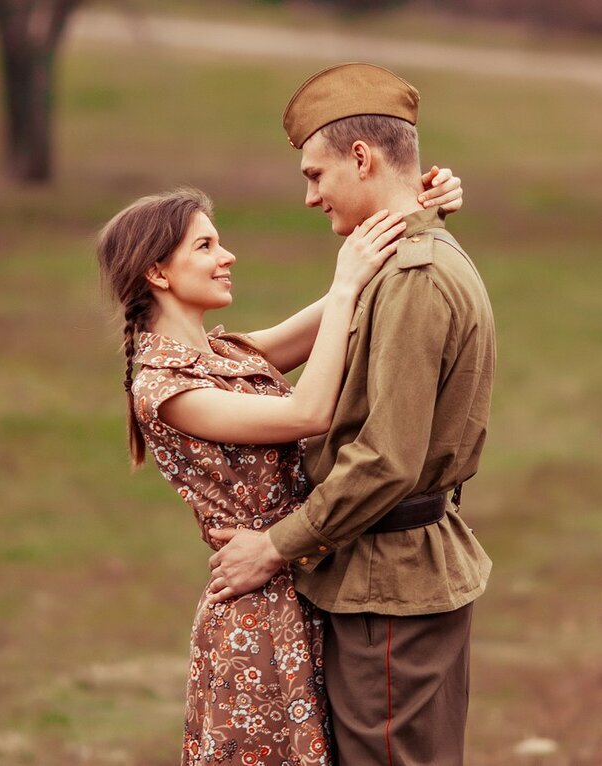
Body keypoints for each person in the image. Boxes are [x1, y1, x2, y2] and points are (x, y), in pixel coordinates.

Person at [96, 170, 462, 764]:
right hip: (259, 620)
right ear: (158, 273)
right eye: (205, 246)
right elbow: (308, 411)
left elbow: (345, 299)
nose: (227, 255)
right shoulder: (166, 388)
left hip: (303, 586)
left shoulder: (225, 356)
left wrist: (414, 209)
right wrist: (344, 285)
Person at [206, 63, 496, 766]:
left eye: (315, 174)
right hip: (383, 579)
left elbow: (388, 458)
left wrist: (273, 546)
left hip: (389, 591)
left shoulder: (414, 279)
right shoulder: (400, 262)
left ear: (361, 159)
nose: (309, 197)